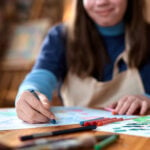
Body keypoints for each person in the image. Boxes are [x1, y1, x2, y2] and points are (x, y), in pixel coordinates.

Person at [15, 0, 150, 124]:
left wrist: (147, 98)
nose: (101, 2)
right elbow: (41, 76)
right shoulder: (60, 36)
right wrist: (29, 92)